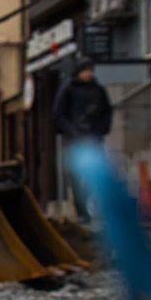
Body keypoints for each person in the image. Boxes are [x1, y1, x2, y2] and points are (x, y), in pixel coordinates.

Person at [53, 59, 113, 222]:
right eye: (86, 70)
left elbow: (107, 111)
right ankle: (82, 210)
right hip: (75, 140)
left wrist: (102, 130)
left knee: (95, 175)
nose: (89, 73)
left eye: (91, 70)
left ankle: (95, 209)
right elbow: (58, 114)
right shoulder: (68, 90)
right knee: (77, 176)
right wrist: (71, 132)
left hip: (94, 138)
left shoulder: (98, 90)